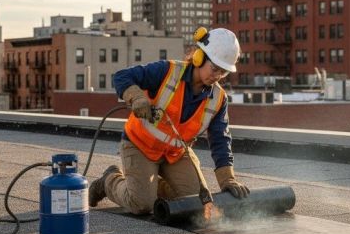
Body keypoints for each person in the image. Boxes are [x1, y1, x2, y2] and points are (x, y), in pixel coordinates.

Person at [88, 27, 250, 214]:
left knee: (197, 203)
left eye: (223, 72)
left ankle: (147, 186)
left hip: (175, 154)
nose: (217, 76)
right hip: (140, 145)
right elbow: (121, 76)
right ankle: (109, 180)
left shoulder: (219, 99)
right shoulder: (167, 71)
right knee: (142, 205)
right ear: (199, 57)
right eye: (215, 68)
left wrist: (227, 179)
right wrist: (137, 97)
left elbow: (221, 139)